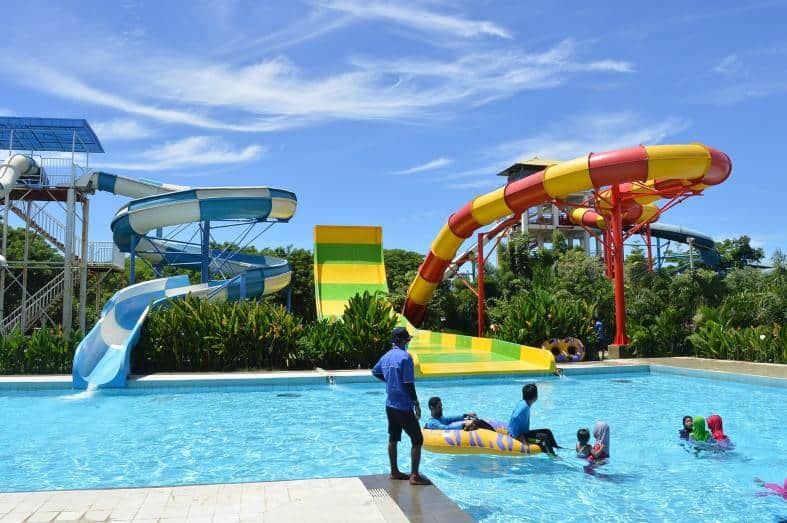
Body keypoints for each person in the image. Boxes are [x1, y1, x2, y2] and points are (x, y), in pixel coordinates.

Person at [372, 327, 430, 485]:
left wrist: (390, 381)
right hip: (403, 406)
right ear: (404, 341)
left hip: (390, 404)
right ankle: (414, 476)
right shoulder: (405, 357)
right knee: (417, 439)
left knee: (393, 437)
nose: (408, 343)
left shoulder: (386, 356)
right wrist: (416, 403)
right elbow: (408, 383)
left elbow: (375, 372)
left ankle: (394, 471)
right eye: (407, 340)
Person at [508, 383, 561, 455]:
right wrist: (515, 435)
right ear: (535, 397)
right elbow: (515, 417)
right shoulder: (524, 407)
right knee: (544, 438)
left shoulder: (523, 403)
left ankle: (556, 447)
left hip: (525, 433)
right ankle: (552, 456)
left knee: (547, 431)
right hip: (523, 436)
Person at [424, 397, 495, 431]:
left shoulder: (441, 418)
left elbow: (453, 418)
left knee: (477, 421)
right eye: (439, 407)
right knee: (477, 423)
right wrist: (463, 425)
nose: (442, 408)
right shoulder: (432, 423)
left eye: (441, 406)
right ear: (431, 408)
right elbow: (445, 428)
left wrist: (467, 415)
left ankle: (495, 433)